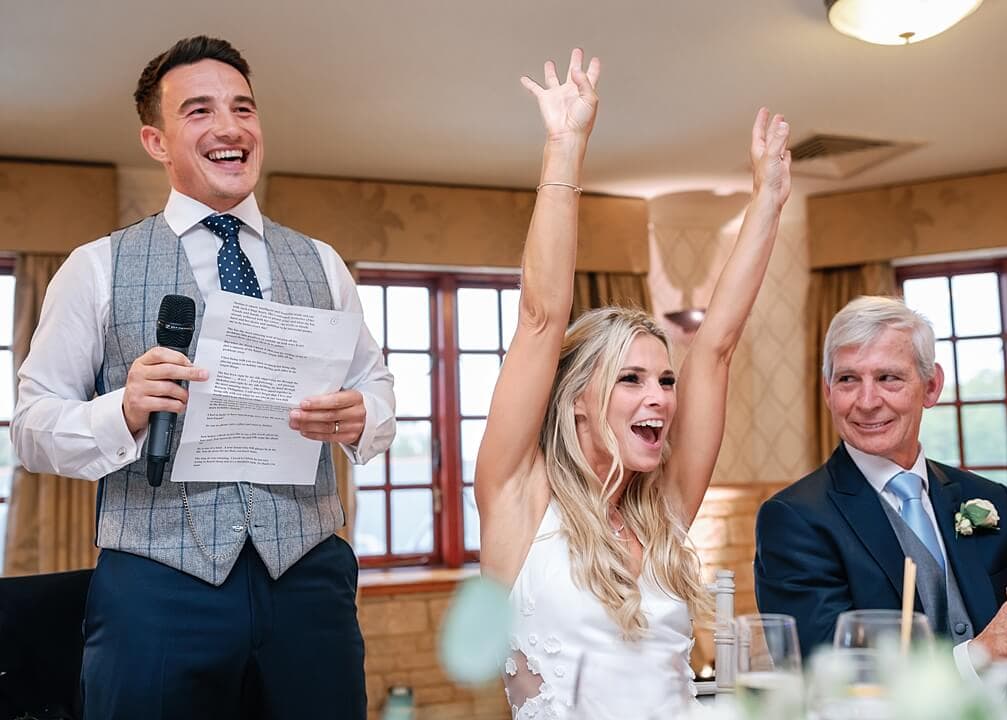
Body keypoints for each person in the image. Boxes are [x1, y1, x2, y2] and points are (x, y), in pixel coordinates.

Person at [11, 36, 395, 719]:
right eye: (199, 111)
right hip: (156, 588)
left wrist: (363, 414)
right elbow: (34, 426)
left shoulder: (325, 263)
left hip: (309, 577)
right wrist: (122, 411)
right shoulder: (95, 266)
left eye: (243, 108)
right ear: (155, 141)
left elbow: (379, 389)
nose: (229, 127)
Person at [474, 48, 792, 719]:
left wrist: (768, 199)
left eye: (665, 381)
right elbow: (540, 318)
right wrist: (565, 147)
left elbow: (717, 349)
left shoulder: (665, 511)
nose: (662, 397)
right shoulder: (519, 499)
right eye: (632, 379)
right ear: (579, 402)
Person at [754, 295, 1007, 690]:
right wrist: (981, 657)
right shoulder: (794, 518)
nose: (867, 401)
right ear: (827, 391)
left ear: (931, 386)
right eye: (847, 379)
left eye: (888, 378)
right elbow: (829, 674)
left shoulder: (991, 500)